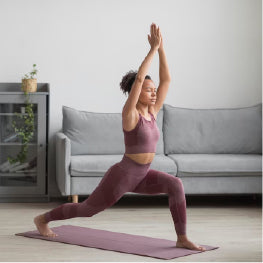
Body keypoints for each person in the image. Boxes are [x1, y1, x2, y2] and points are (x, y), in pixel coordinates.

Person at [34, 23, 206, 252]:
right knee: (87, 209)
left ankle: (182, 237)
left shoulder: (152, 112)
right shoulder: (130, 113)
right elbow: (138, 80)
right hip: (124, 174)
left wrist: (162, 48)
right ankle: (43, 219)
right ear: (137, 93)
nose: (154, 92)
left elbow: (166, 81)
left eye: (153, 89)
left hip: (144, 174)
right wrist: (152, 50)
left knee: (175, 184)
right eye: (148, 90)